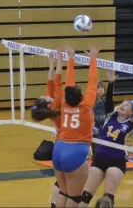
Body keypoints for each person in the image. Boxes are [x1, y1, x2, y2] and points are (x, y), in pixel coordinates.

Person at [79, 90, 133, 207]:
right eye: (122, 103)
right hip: (99, 159)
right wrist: (111, 83)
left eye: (126, 105)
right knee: (85, 196)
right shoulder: (110, 116)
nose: (123, 105)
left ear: (131, 112)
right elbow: (108, 101)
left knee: (107, 200)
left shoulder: (132, 125)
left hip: (116, 161)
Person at [52, 45, 99, 207]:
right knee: (74, 197)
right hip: (75, 151)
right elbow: (93, 81)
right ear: (80, 96)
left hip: (59, 148)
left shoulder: (64, 103)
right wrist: (93, 57)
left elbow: (69, 82)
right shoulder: (86, 106)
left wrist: (70, 58)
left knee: (63, 191)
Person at [30, 50, 63, 208]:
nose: (47, 94)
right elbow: (57, 81)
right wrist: (61, 61)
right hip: (68, 144)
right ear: (48, 104)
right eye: (46, 97)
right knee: (68, 182)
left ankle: (54, 203)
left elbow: (50, 82)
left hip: (60, 146)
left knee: (62, 180)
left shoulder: (51, 105)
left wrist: (51, 62)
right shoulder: (56, 104)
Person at [92, 71, 118, 157]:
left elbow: (110, 98)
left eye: (102, 88)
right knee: (95, 130)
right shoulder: (91, 101)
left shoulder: (105, 101)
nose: (101, 89)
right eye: (98, 88)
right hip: (94, 125)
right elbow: (91, 116)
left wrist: (111, 83)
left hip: (104, 124)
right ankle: (96, 155)